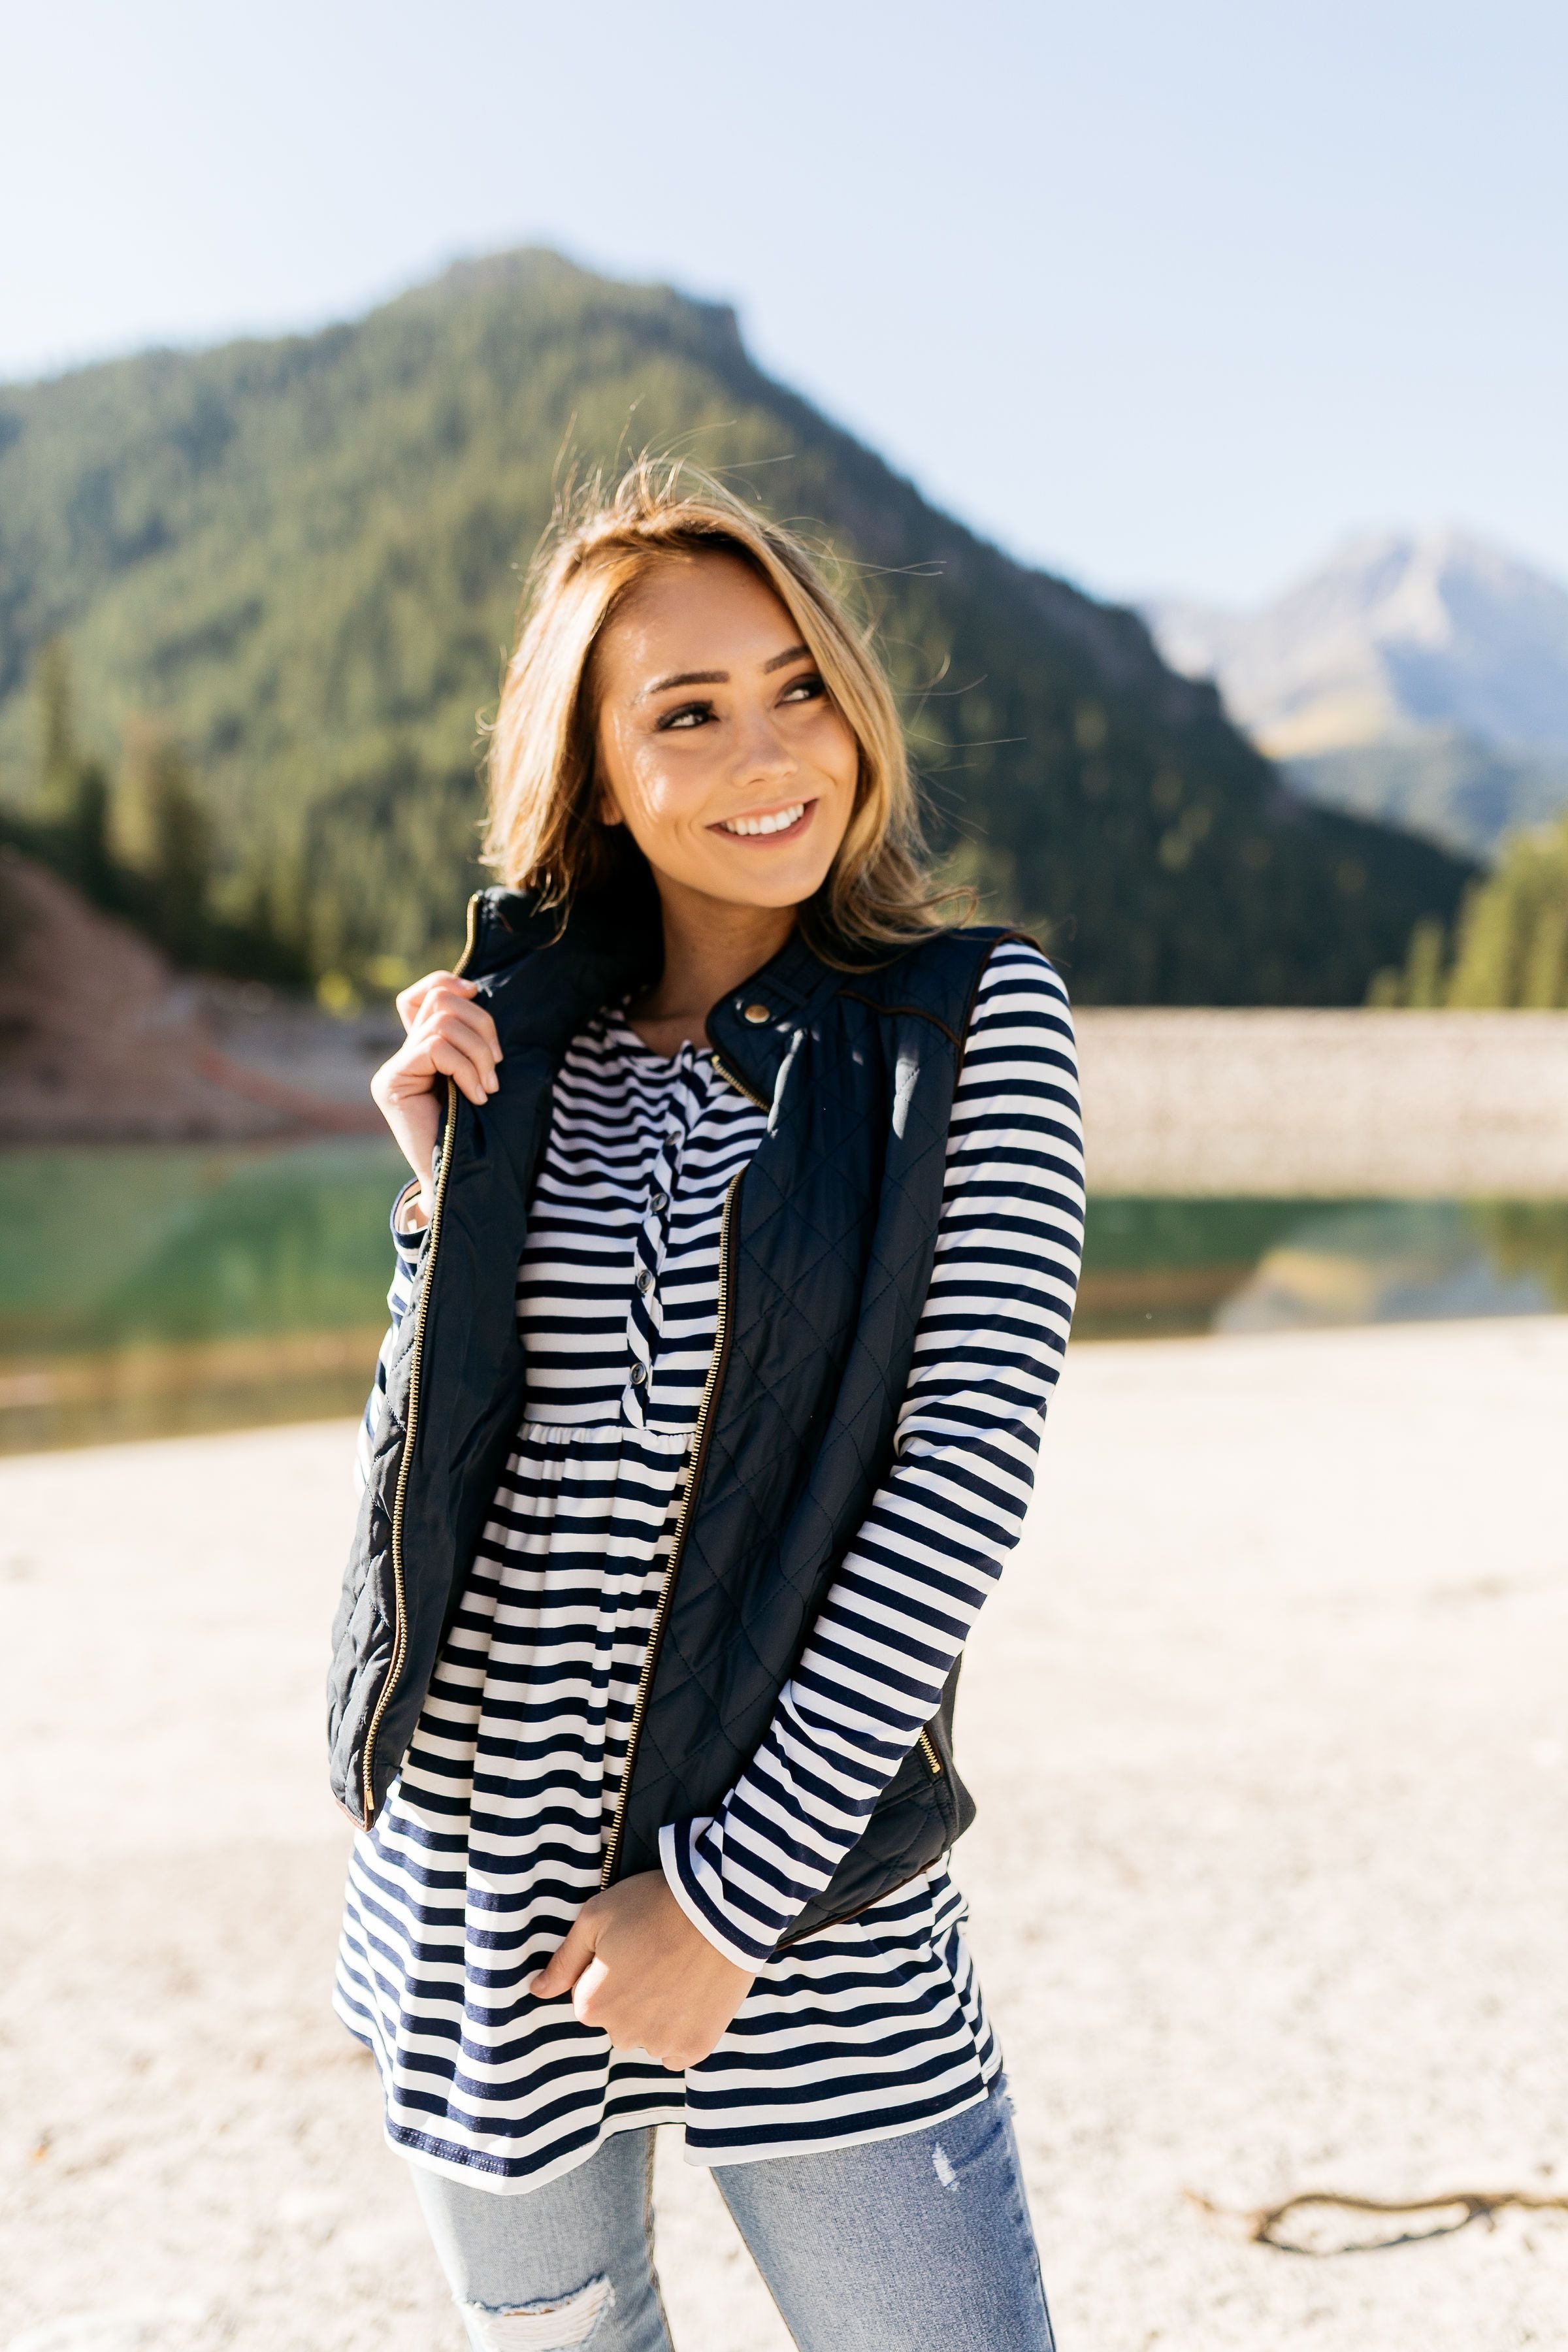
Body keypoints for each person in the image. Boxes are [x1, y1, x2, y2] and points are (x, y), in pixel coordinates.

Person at [328, 461, 1083, 2351]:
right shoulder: (524, 1049)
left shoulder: (969, 1024)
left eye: (799, 685)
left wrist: (728, 1907)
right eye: (687, 712)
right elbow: (440, 1486)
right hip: (486, 1869)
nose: (771, 751)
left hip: (798, 1899)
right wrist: (438, 1215)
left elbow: (954, 1492)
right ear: (596, 775)